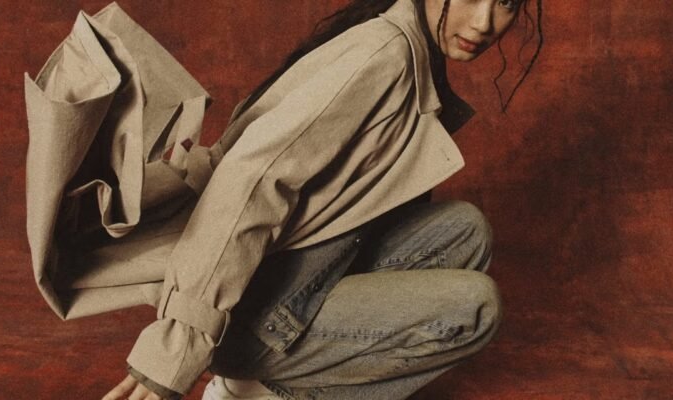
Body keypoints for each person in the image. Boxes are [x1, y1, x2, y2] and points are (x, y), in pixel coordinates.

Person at [103, 0, 543, 399]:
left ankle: (262, 383)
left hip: (301, 277)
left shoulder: (411, 49)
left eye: (505, 2)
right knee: (476, 306)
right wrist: (180, 340)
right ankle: (268, 392)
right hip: (250, 319)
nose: (484, 22)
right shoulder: (385, 54)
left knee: (465, 230)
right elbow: (251, 180)